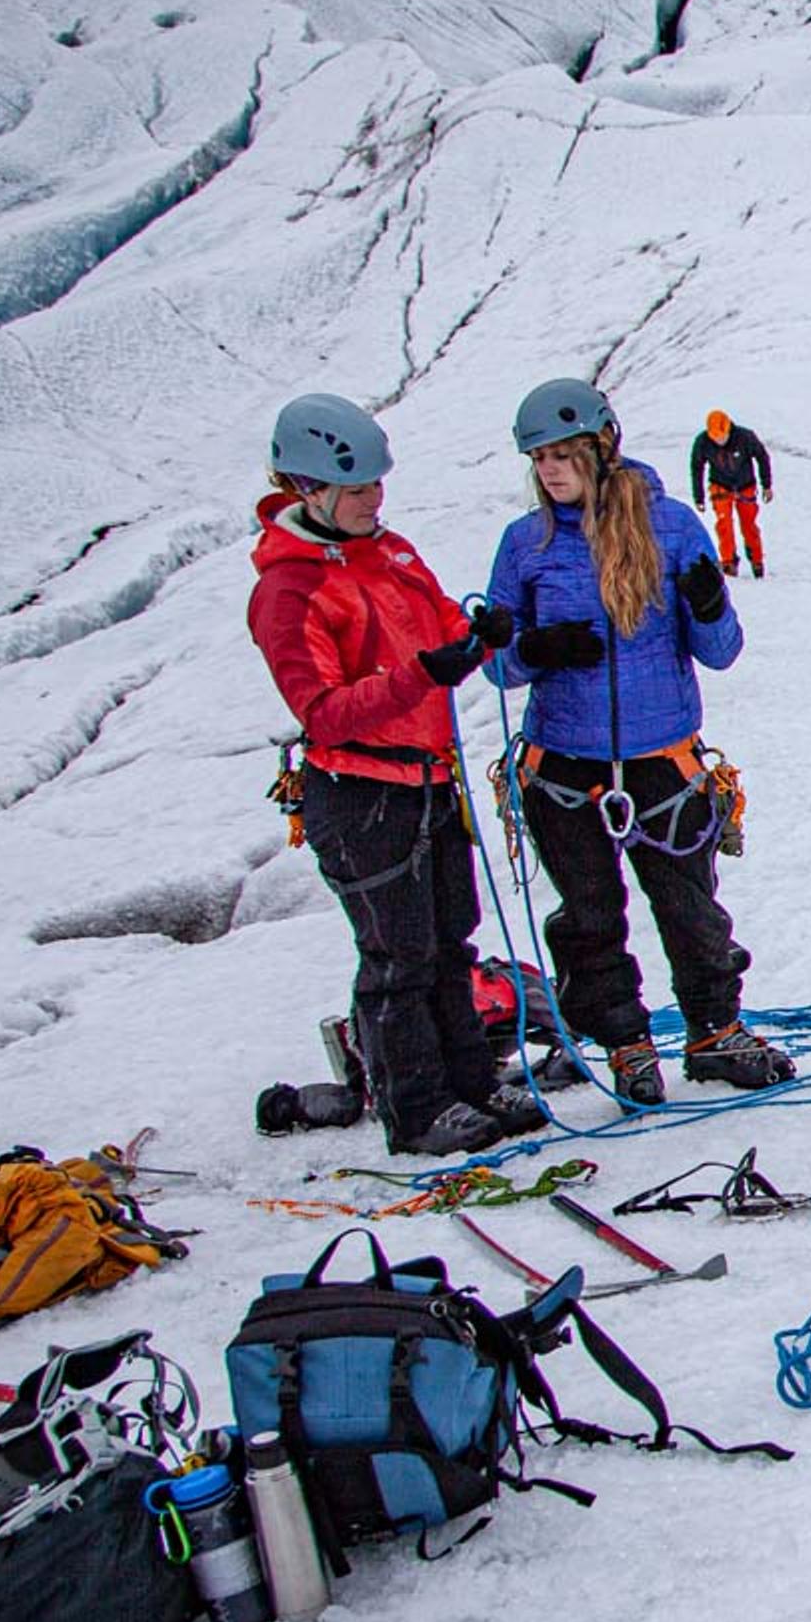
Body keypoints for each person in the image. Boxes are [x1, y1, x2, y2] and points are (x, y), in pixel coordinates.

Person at [484, 377, 797, 1102]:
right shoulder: (524, 545)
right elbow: (498, 663)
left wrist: (710, 603)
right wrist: (535, 649)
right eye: (540, 459)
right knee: (590, 918)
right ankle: (626, 1044)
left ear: (601, 449)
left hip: (661, 759)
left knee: (690, 910)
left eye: (564, 455)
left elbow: (720, 651)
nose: (551, 470)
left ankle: (714, 1032)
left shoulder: (673, 527)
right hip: (562, 762)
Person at [244, 394, 521, 1158]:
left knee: (452, 941)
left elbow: (439, 625)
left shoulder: (390, 554)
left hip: (428, 782)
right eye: (360, 487)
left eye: (375, 485)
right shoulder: (289, 589)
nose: (376, 498)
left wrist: (480, 639)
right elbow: (324, 710)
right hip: (362, 793)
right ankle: (417, 1109)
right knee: (400, 955)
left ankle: (472, 1083)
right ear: (309, 488)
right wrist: (426, 673)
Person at [691, 408, 774, 578]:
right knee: (724, 526)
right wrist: (698, 496)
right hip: (720, 486)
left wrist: (766, 485)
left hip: (746, 486)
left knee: (749, 525)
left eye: (722, 436)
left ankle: (757, 562)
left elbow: (762, 457)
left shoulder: (745, 437)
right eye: (715, 437)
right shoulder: (702, 442)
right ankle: (728, 564)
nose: (719, 440)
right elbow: (697, 467)